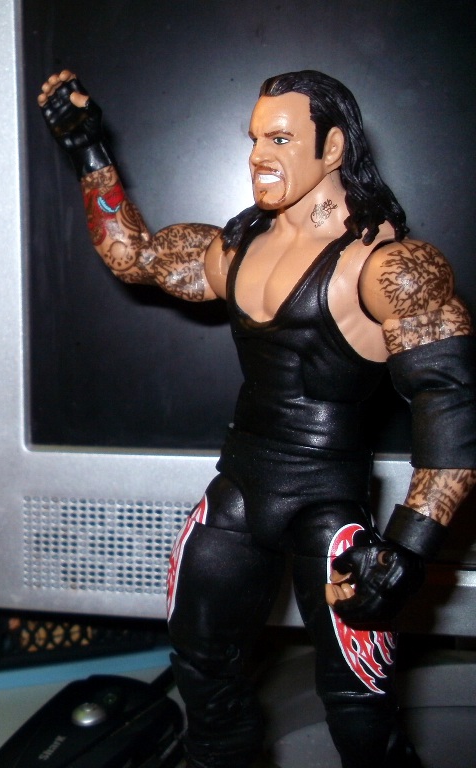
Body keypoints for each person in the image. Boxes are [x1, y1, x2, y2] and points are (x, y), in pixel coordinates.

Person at [38, 70, 476, 767]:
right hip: (239, 489)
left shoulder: (390, 267)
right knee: (201, 673)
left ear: (333, 148)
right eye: (253, 139)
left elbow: (452, 409)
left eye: (280, 138)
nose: (258, 157)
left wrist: (410, 548)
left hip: (328, 505)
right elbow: (135, 257)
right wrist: (88, 149)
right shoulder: (236, 248)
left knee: (361, 708)